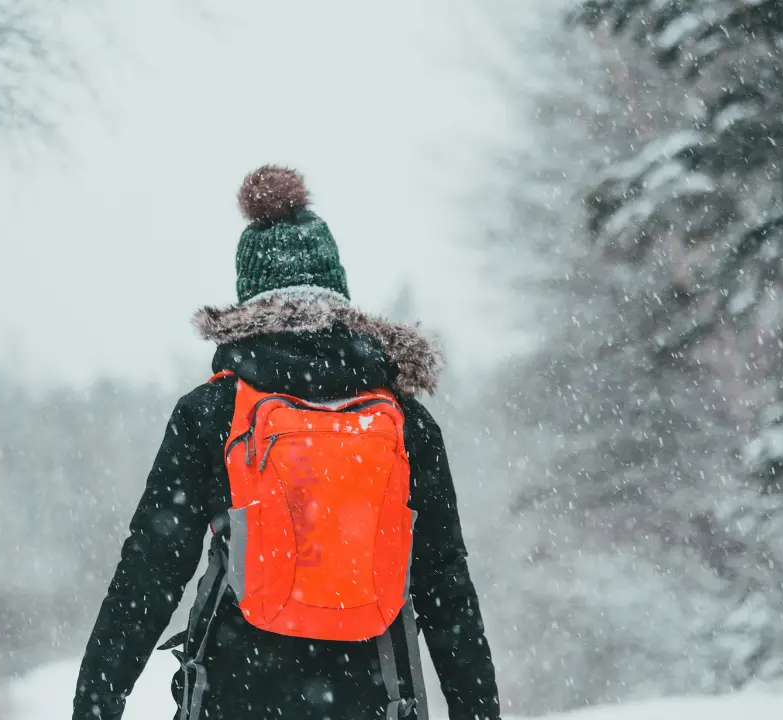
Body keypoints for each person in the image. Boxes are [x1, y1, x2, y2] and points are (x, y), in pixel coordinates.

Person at [72, 166, 500, 720]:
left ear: (247, 302)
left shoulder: (213, 413)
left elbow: (150, 568)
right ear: (340, 294)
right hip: (376, 695)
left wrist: (96, 702)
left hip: (236, 692)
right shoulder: (404, 423)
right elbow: (447, 589)